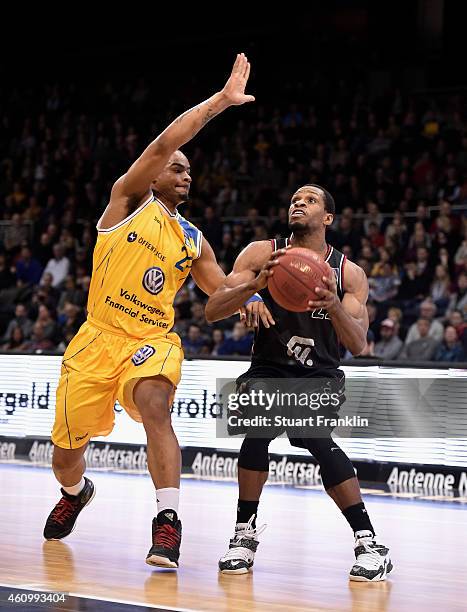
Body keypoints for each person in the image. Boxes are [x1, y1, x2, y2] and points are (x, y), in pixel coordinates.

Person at [43, 54, 255, 571]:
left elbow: (218, 293)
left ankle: (168, 522)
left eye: (189, 172)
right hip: (96, 339)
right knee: (66, 452)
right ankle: (76, 491)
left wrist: (255, 291)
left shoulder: (193, 239)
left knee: (156, 406)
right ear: (154, 173)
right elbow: (165, 142)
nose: (186, 176)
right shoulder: (127, 201)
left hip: (151, 339)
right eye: (177, 168)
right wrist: (221, 103)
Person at [206, 184, 393, 581]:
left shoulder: (349, 273)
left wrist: (334, 306)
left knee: (317, 440)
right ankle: (244, 535)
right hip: (270, 367)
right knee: (255, 434)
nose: (298, 203)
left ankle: (368, 543)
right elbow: (211, 310)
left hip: (319, 373)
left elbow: (359, 344)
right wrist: (250, 291)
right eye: (294, 199)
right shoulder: (261, 254)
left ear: (327, 218)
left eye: (309, 200)